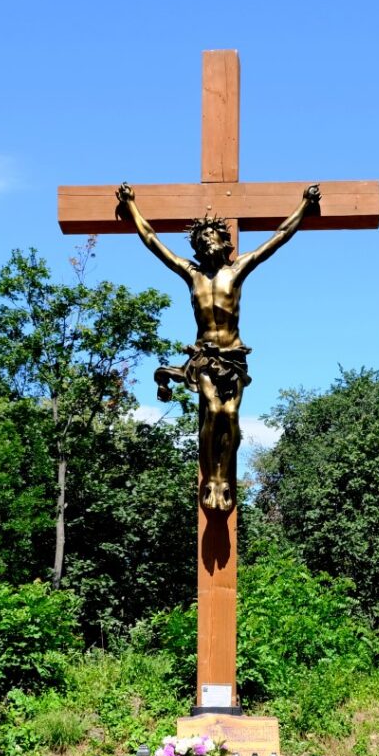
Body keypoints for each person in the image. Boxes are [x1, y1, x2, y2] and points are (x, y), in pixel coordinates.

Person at [115, 182, 321, 511]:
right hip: (204, 357)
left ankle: (225, 477)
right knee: (213, 409)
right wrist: (131, 207)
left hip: (234, 356)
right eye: (201, 239)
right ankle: (211, 478)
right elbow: (153, 241)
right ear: (196, 247)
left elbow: (279, 237)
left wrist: (304, 208)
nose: (207, 242)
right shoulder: (192, 274)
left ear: (225, 242)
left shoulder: (237, 270)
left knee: (231, 414)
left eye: (212, 237)